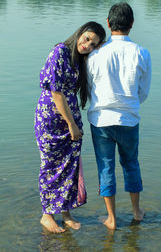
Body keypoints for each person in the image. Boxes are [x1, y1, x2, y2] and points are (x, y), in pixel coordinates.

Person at [34, 21, 106, 233]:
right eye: (86, 39)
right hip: (52, 120)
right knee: (50, 165)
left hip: (71, 119)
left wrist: (101, 47)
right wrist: (72, 125)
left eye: (93, 44)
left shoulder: (79, 58)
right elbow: (56, 93)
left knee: (70, 165)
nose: (87, 46)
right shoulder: (60, 52)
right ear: (79, 34)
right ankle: (47, 215)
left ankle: (66, 212)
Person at [86, 3, 152, 230]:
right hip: (129, 119)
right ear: (132, 24)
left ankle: (111, 219)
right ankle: (136, 211)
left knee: (106, 167)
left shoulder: (95, 53)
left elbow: (90, 86)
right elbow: (143, 92)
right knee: (131, 164)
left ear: (107, 23)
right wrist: (128, 105)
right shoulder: (142, 52)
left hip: (101, 119)